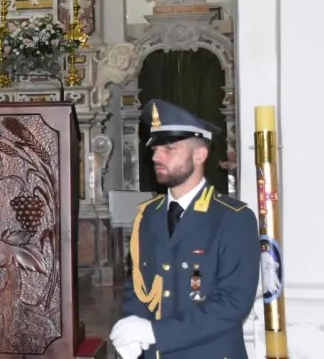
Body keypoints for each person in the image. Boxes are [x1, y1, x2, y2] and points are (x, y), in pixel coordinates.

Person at [110, 99, 259, 359]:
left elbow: (232, 304)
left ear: (199, 154)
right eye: (156, 148)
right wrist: (131, 329)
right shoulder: (147, 216)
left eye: (169, 148)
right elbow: (137, 287)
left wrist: (156, 332)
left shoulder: (234, 219)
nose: (156, 156)